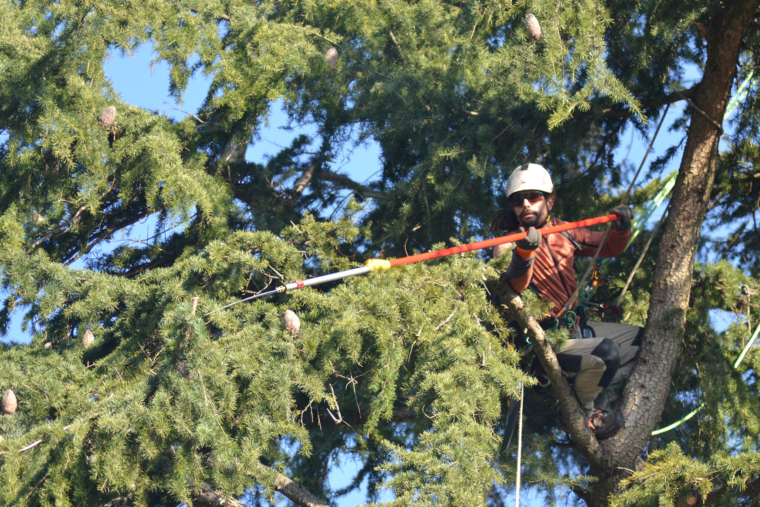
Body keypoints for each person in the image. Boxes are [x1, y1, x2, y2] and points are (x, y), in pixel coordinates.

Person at [493, 163, 641, 440]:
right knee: (605, 353)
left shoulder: (565, 231)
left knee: (640, 342)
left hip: (577, 329)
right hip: (546, 341)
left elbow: (610, 246)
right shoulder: (508, 242)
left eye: (534, 196)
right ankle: (583, 415)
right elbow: (513, 287)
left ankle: (603, 405)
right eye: (518, 200)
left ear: (549, 199)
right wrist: (524, 254)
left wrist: (621, 228)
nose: (525, 204)